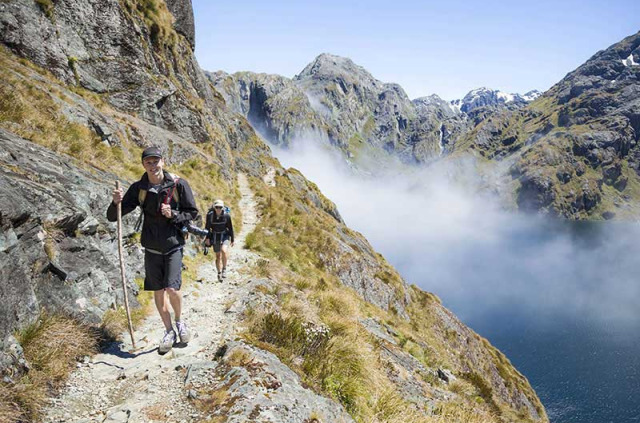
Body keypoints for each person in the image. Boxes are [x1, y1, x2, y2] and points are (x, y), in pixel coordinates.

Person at [107, 146, 198, 354]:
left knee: (172, 289)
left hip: (173, 244)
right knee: (158, 291)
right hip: (151, 248)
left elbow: (192, 212)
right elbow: (114, 216)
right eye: (148, 162)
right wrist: (115, 203)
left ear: (162, 162)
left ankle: (180, 321)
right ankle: (168, 331)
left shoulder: (178, 184)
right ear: (143, 165)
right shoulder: (139, 188)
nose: (153, 165)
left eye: (156, 161)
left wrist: (173, 215)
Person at [205, 200, 234, 281]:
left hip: (225, 235)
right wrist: (207, 238)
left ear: (223, 208)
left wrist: (232, 239)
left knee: (224, 251)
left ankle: (224, 269)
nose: (218, 209)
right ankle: (219, 273)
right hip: (215, 236)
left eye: (220, 207)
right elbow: (207, 228)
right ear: (214, 207)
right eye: (217, 207)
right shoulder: (210, 216)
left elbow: (230, 228)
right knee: (218, 256)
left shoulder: (226, 216)